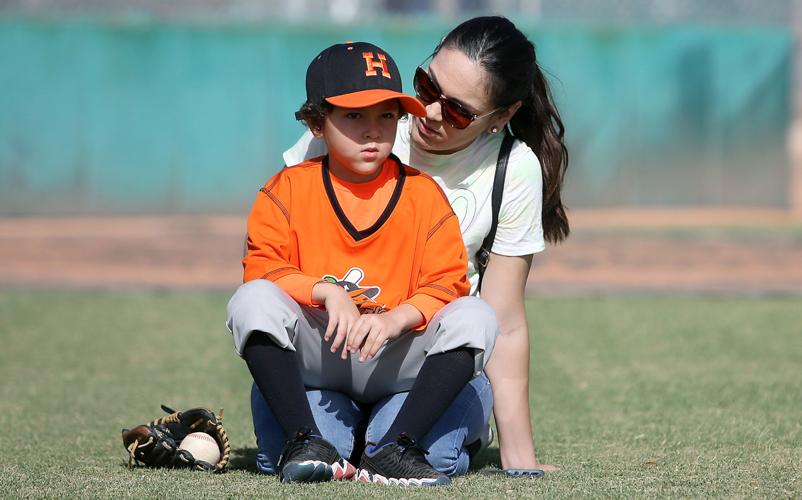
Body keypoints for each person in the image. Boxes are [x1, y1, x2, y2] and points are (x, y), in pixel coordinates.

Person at [284, 16, 569, 474]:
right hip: (334, 355)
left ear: (503, 117)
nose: (431, 112)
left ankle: (446, 413)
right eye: (427, 86)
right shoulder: (359, 121)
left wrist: (520, 459)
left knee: (429, 458)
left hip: (424, 365)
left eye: (458, 111)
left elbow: (505, 322)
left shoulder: (512, 169)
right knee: (317, 454)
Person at [226, 40, 498, 486]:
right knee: (251, 302)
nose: (373, 131)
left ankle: (397, 446)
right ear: (317, 122)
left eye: (386, 115)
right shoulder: (287, 189)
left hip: (396, 358)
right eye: (354, 116)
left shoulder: (423, 195)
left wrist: (397, 318)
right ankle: (302, 436)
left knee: (476, 316)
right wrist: (325, 291)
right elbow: (263, 268)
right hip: (325, 356)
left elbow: (447, 285)